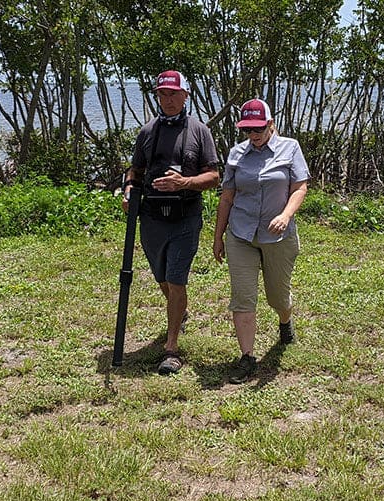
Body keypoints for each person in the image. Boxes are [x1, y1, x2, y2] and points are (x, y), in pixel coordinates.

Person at [122, 70, 220, 375]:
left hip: (185, 217)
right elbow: (134, 171)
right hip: (151, 218)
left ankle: (172, 348)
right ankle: (180, 311)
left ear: (185, 96)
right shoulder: (147, 132)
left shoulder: (199, 131)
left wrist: (185, 182)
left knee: (177, 279)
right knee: (162, 278)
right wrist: (127, 192)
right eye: (162, 94)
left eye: (174, 94)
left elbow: (214, 177)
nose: (168, 100)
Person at [213, 98, 309, 384]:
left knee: (277, 297)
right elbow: (227, 196)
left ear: (270, 125)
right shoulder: (236, 154)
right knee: (243, 297)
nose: (253, 135)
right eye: (247, 129)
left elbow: (300, 186)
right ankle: (247, 357)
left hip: (277, 236)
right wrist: (218, 236)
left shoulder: (290, 147)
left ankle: (285, 320)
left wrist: (286, 215)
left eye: (258, 128)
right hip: (240, 234)